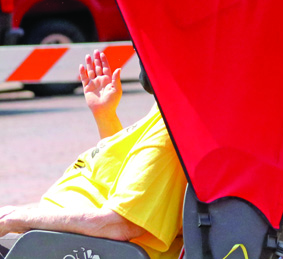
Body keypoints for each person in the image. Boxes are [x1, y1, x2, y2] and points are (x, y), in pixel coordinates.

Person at [0, 51, 188, 259]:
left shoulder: (170, 130)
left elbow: (119, 224)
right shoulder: (166, 111)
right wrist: (105, 115)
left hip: (71, 248)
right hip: (55, 242)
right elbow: (124, 176)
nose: (138, 51)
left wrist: (19, 219)